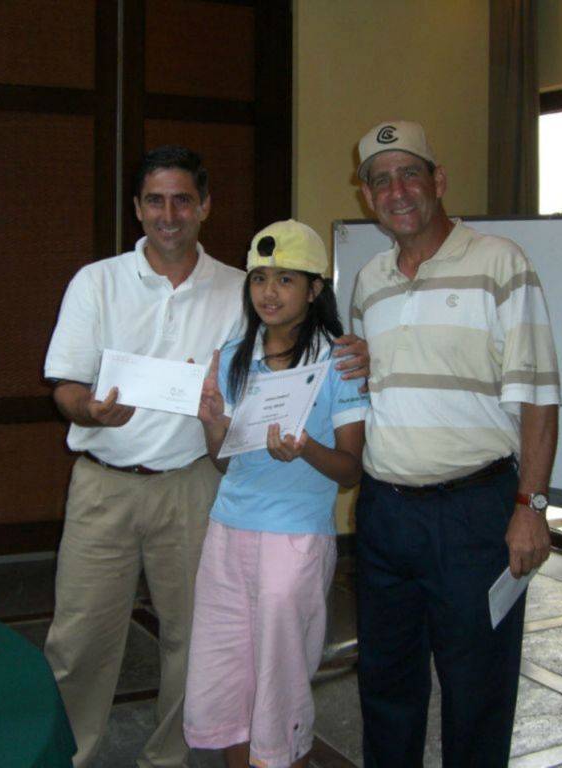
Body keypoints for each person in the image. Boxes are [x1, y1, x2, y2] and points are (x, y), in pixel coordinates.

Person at [43, 146, 368, 768]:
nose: (169, 215)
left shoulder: (237, 288)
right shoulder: (96, 282)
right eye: (156, 201)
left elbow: (298, 342)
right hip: (104, 484)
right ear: (138, 208)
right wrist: (89, 408)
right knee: (79, 639)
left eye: (183, 201)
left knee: (195, 641)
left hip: (197, 485)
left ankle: (169, 760)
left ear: (205, 206)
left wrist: (353, 351)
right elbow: (64, 385)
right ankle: (70, 757)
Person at [350, 121, 561, 767]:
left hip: (473, 515)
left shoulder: (501, 262)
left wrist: (531, 506)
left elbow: (538, 397)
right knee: (386, 686)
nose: (397, 191)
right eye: (381, 181)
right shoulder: (368, 280)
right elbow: (366, 385)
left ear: (438, 181)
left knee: (477, 693)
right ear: (367, 197)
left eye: (410, 174)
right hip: (385, 515)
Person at [183, 220, 368, 768]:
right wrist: (212, 423)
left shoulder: (338, 361)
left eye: (286, 279)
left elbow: (350, 470)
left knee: (279, 687)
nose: (269, 292)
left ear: (314, 289)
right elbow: (225, 463)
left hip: (295, 538)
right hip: (229, 531)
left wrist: (305, 447)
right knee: (228, 682)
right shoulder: (234, 355)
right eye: (260, 278)